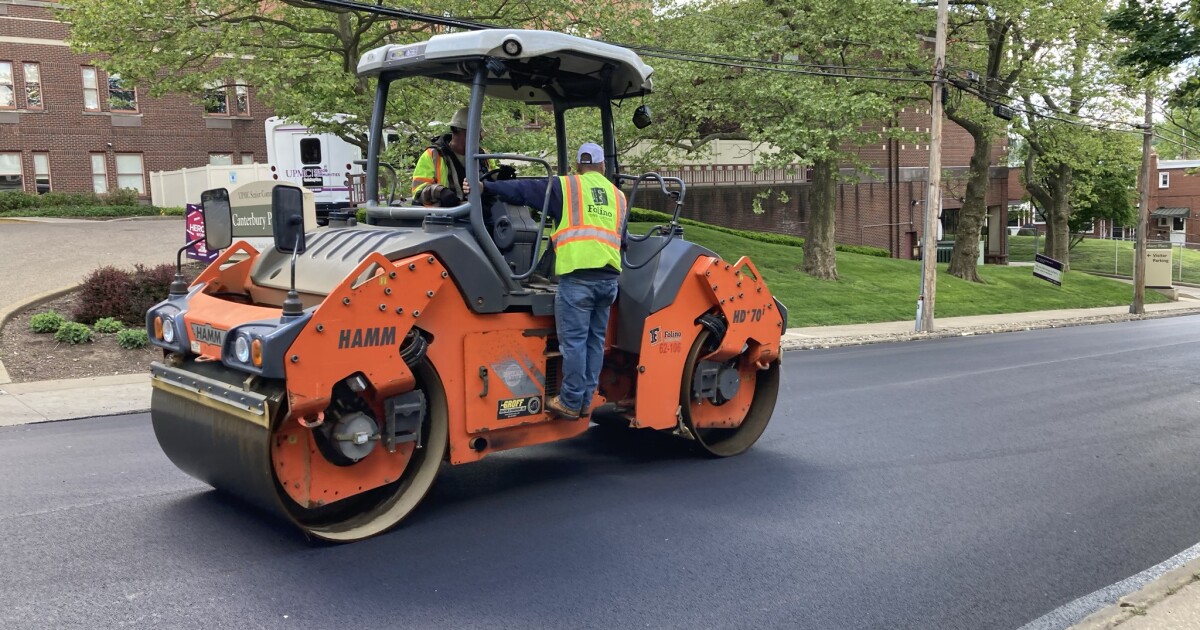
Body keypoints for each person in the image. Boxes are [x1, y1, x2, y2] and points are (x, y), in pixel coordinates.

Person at [470, 142, 628, 420]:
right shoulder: (618, 197)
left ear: (579, 166)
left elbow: (525, 191)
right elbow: (622, 241)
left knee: (575, 343)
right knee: (594, 342)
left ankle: (569, 400)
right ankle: (585, 399)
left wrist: (488, 188)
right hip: (608, 281)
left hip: (578, 281)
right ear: (603, 166)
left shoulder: (567, 187)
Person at [410, 107, 498, 207]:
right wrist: (440, 192)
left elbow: (492, 182)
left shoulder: (483, 156)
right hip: (444, 217)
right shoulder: (433, 155)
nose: (480, 138)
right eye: (477, 133)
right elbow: (418, 191)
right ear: (461, 132)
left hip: (480, 214)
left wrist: (500, 177)